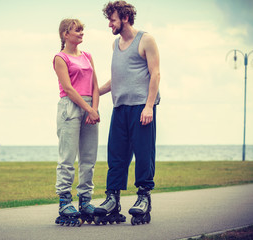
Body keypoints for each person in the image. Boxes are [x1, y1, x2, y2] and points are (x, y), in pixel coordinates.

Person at [94, 1, 161, 226]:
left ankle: (143, 198)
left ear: (124, 18)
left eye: (112, 19)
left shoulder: (146, 40)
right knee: (116, 155)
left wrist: (149, 106)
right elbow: (118, 79)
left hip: (142, 108)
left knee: (143, 154)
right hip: (120, 108)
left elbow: (155, 74)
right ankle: (112, 198)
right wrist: (95, 92)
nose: (109, 24)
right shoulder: (116, 44)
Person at [53, 18, 100, 226]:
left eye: (82, 30)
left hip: (90, 108)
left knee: (88, 159)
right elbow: (69, 88)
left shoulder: (88, 56)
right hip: (70, 108)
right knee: (68, 158)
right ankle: (65, 201)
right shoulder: (60, 58)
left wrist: (94, 110)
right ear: (65, 34)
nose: (81, 33)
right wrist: (88, 108)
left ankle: (85, 201)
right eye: (77, 30)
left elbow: (95, 86)